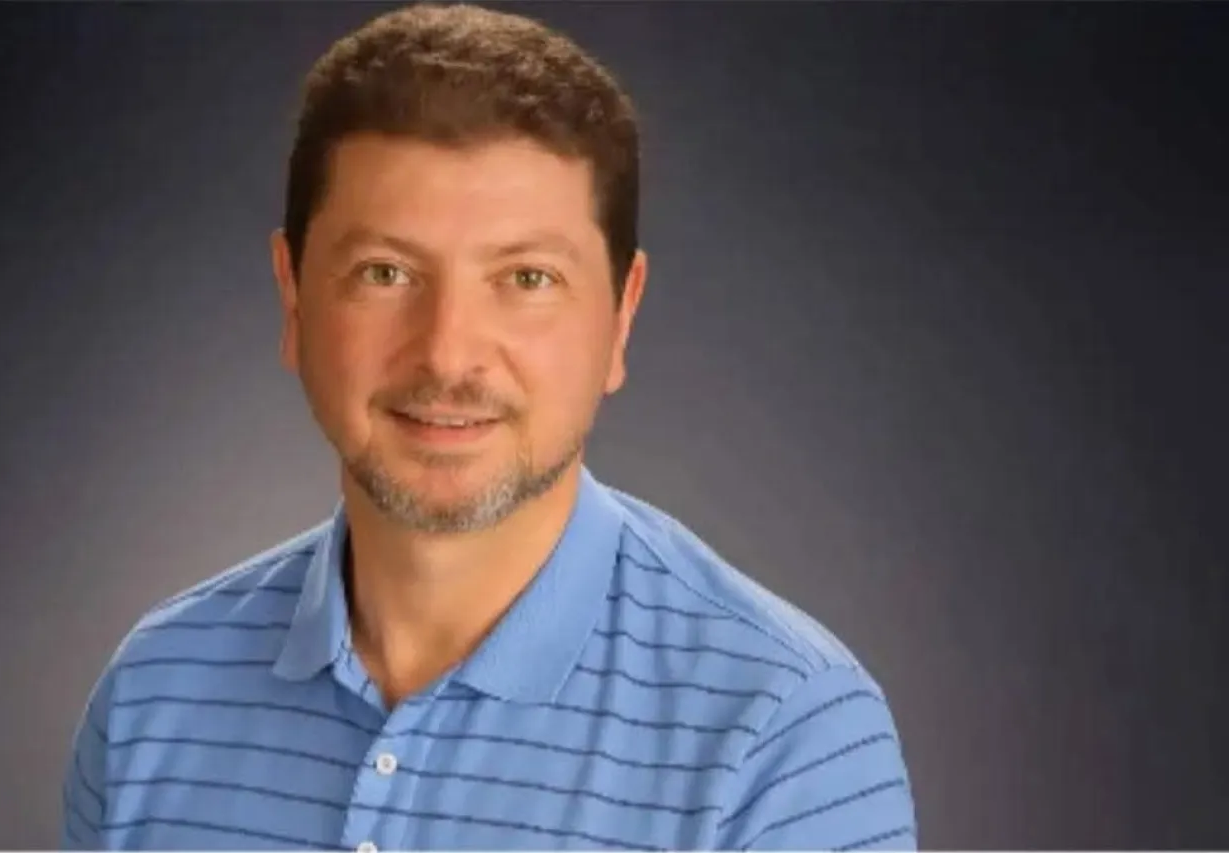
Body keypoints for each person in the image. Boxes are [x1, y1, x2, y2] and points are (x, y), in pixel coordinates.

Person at [60, 3, 917, 850]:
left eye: (527, 278)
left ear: (622, 315)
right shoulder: (150, 695)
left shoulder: (785, 735)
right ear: (293, 297)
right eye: (386, 272)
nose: (447, 353)